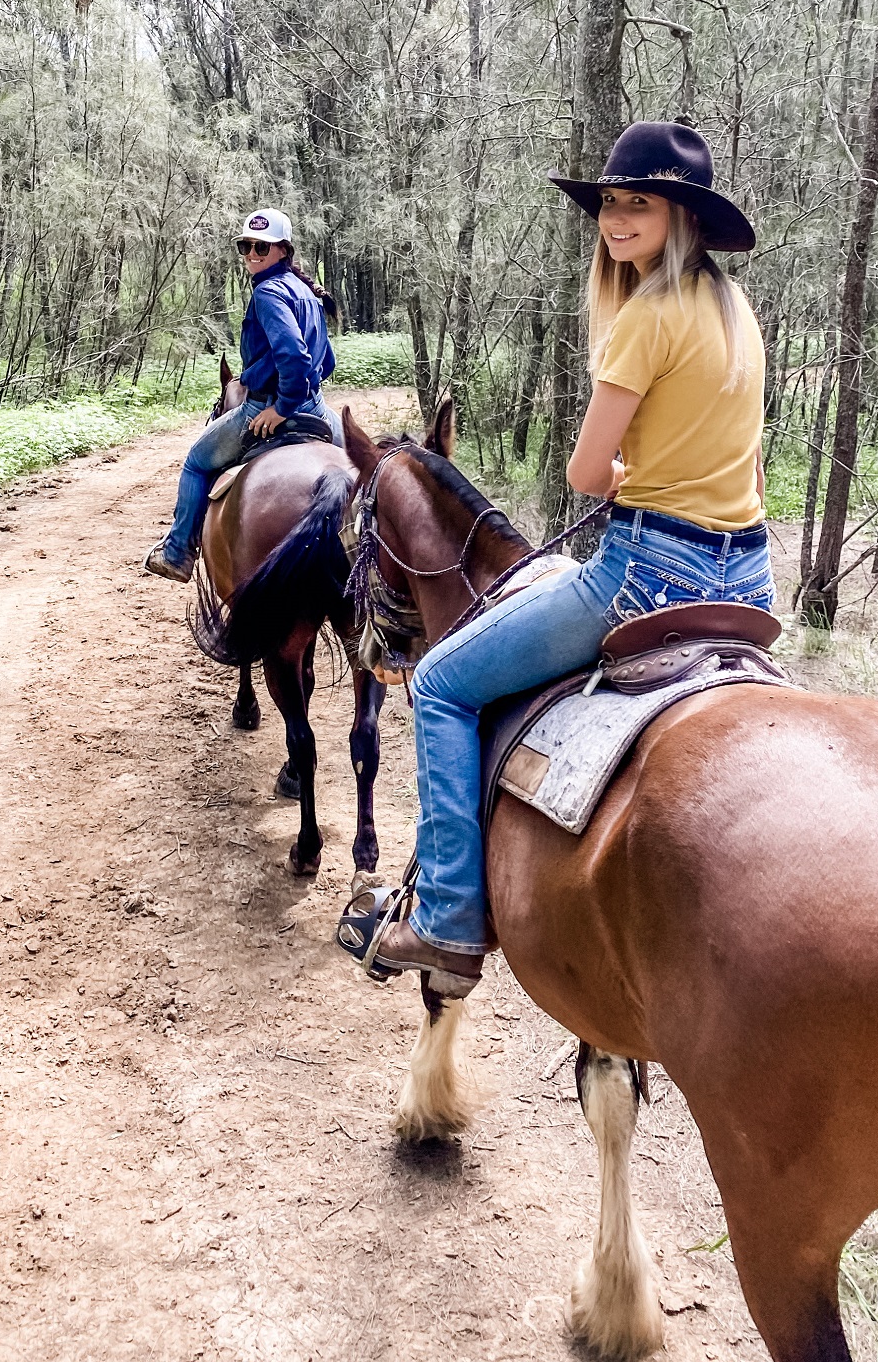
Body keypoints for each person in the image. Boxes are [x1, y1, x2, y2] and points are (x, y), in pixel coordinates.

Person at [372, 120, 775, 985]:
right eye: (610, 204)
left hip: (647, 573)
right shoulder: (736, 311)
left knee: (440, 682)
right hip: (749, 575)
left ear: (682, 216)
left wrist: (623, 475)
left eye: (641, 204)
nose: (618, 220)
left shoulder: (646, 317)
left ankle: (445, 917)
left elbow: (589, 470)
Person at [144, 207, 340, 581]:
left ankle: (177, 551)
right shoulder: (307, 292)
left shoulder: (268, 293)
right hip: (316, 407)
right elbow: (325, 362)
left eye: (262, 248)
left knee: (197, 462)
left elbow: (295, 357)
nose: (252, 254)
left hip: (265, 406)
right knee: (366, 469)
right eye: (246, 246)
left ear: (283, 250)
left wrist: (281, 408)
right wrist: (302, 393)